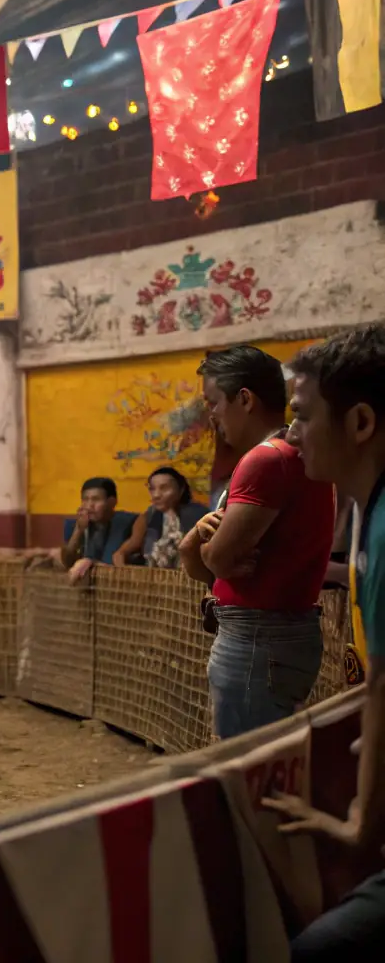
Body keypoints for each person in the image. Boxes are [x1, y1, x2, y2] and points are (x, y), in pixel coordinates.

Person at [259, 325, 385, 960]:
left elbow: (383, 687)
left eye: (303, 416)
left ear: (359, 422)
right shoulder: (368, 511)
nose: (291, 433)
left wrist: (361, 823)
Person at [179, 345, 336, 741]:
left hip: (257, 637)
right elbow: (208, 562)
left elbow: (218, 560)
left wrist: (205, 547)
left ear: (245, 399)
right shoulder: (296, 455)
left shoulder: (266, 460)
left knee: (244, 762)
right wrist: (202, 546)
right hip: (277, 633)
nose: (212, 415)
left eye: (214, 402)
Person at [112, 467, 208, 568]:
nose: (156, 495)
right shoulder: (147, 517)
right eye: (152, 489)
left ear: (181, 489)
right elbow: (120, 554)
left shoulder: (199, 515)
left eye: (164, 488)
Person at [60, 477, 138, 582]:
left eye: (96, 499)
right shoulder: (75, 524)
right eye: (85, 500)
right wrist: (78, 531)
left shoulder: (126, 522)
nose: (89, 505)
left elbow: (112, 563)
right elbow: (67, 563)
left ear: (112, 502)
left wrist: (90, 562)